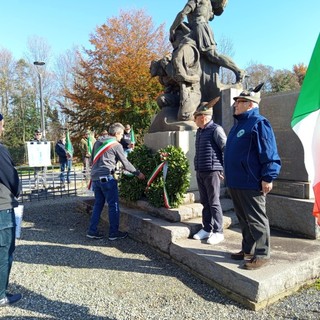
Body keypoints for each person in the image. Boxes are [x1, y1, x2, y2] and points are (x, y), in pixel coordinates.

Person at [224, 83, 281, 270]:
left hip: (251, 182)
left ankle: (263, 254)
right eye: (236, 102)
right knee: (243, 219)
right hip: (236, 182)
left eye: (239, 102)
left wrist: (268, 176)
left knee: (256, 219)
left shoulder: (259, 123)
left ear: (250, 104)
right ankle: (248, 250)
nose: (235, 105)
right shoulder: (238, 125)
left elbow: (269, 152)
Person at [87, 123, 145, 240]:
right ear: (117, 133)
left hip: (95, 178)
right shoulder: (116, 145)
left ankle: (92, 231)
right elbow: (126, 163)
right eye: (122, 134)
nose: (122, 137)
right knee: (114, 205)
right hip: (107, 178)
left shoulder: (97, 142)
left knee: (98, 204)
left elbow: (92, 160)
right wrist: (138, 173)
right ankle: (113, 233)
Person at [169, 0, 244, 83]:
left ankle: (238, 71)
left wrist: (172, 28)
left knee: (213, 55)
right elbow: (211, 16)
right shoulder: (208, 2)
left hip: (199, 27)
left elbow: (183, 13)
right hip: (196, 27)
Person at [192, 97, 226, 245]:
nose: (194, 120)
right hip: (201, 170)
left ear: (203, 117)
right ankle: (207, 228)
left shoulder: (216, 129)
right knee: (205, 201)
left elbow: (226, 149)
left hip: (213, 170)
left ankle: (218, 231)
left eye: (195, 117)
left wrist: (224, 169)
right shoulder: (200, 131)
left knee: (214, 202)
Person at [0, 113, 22, 307]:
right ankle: (1, 295)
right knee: (4, 252)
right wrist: (18, 191)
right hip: (1, 208)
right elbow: (12, 178)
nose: (4, 129)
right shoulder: (0, 150)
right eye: (2, 125)